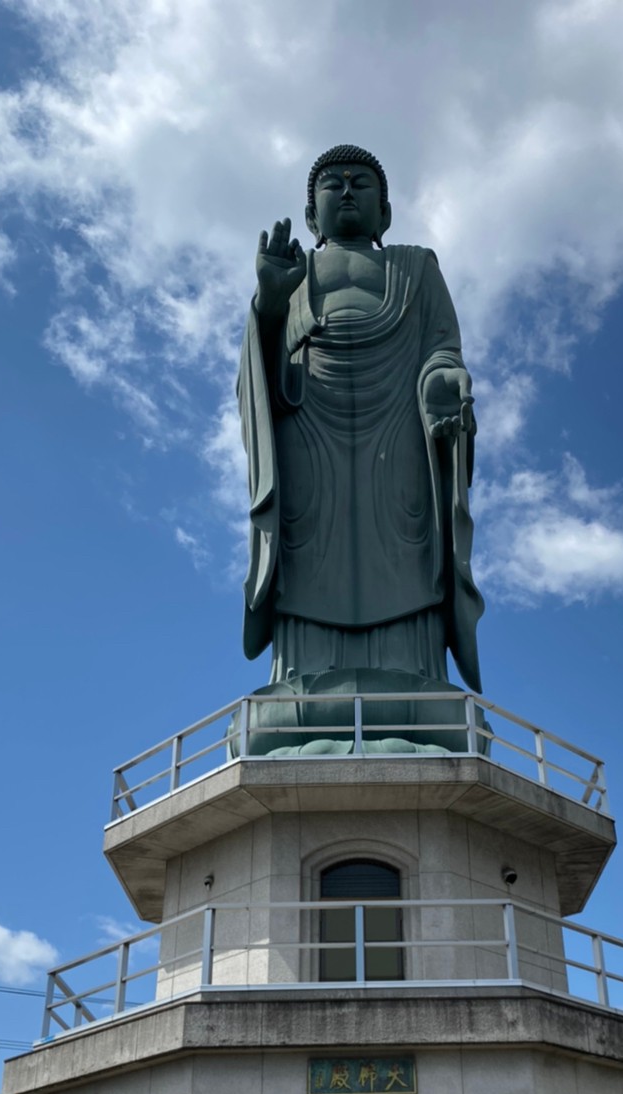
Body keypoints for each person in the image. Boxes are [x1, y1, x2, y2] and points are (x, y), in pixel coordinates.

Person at [237, 144, 484, 694]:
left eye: (360, 183)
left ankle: (412, 681)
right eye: (332, 183)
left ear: (386, 214)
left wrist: (444, 380)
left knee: (406, 543)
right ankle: (303, 685)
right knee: (306, 553)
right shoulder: (293, 273)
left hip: (398, 435)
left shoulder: (417, 268)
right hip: (309, 438)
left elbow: (443, 349)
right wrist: (272, 305)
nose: (347, 191)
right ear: (309, 217)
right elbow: (262, 378)